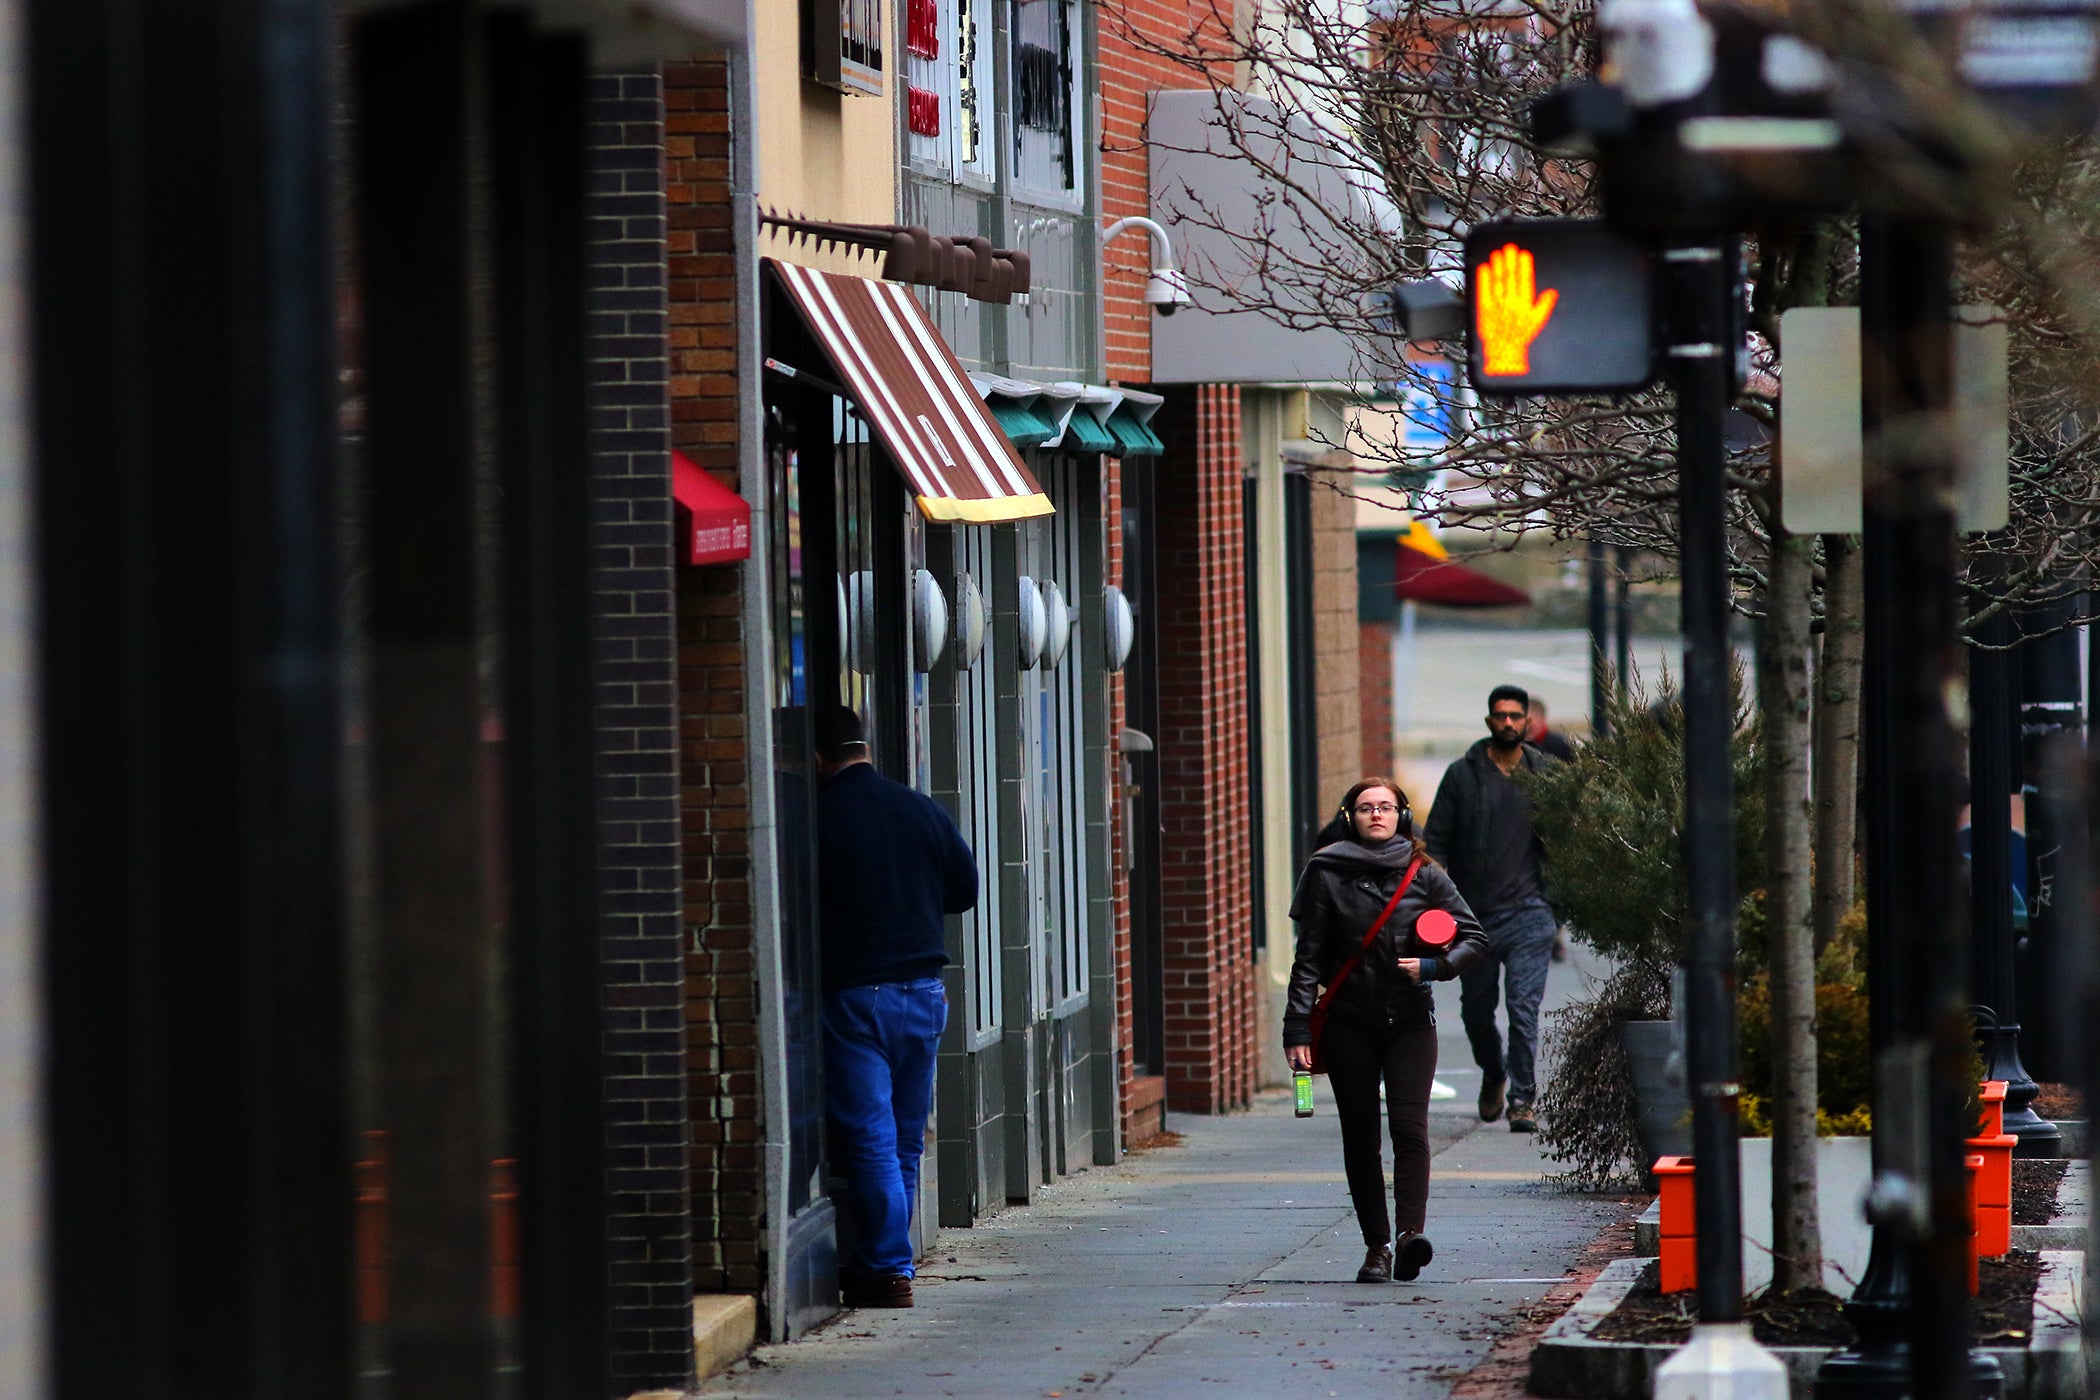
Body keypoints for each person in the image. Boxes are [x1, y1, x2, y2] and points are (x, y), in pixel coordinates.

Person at [1284, 779, 1489, 1285]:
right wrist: (1296, 1029)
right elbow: (1307, 959)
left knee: (1409, 1130)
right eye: (1365, 808)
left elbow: (1474, 937)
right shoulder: (1325, 871)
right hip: (1347, 1024)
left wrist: (1433, 968)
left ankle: (1408, 1237)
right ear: (1349, 815)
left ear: (1402, 814)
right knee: (1361, 1138)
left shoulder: (1425, 873)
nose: (1376, 815)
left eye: (1386, 807)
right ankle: (1376, 1246)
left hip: (1410, 1022)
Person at [814, 704, 979, 1308]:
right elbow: (965, 887)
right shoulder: (918, 808)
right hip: (924, 992)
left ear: (815, 758)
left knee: (870, 1139)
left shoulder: (819, 817)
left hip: (857, 997)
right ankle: (895, 1260)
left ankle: (884, 1267)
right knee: (905, 1138)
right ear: (865, 748)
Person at [1425, 684, 1560, 1134]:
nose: (1507, 723)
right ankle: (1494, 1072)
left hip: (1530, 913)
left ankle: (1523, 1099)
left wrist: (1559, 904)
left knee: (1524, 1008)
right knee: (1477, 1011)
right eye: (1499, 715)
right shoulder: (1462, 775)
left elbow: (1570, 839)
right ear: (1489, 721)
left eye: (1514, 716)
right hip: (1474, 916)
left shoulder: (1546, 775)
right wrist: (1437, 901)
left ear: (1528, 722)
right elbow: (1436, 843)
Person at [1525, 695, 1575, 762]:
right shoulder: (1518, 745)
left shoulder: (1561, 745)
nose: (1526, 727)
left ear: (1542, 719)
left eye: (1530, 721)